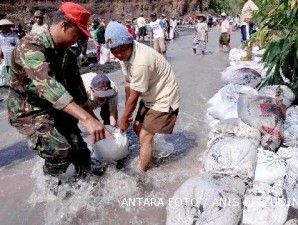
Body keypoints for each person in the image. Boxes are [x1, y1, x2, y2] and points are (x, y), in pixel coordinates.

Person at [7, 2, 108, 177]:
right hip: (29, 109)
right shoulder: (30, 46)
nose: (78, 41)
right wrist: (86, 119)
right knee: (60, 152)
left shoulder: (68, 55)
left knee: (81, 153)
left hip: (58, 107)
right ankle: (50, 186)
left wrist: (97, 123)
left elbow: (79, 94)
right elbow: (48, 87)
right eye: (77, 34)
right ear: (64, 26)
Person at [105, 21, 180, 171]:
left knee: (145, 135)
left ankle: (142, 174)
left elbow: (135, 95)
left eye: (121, 50)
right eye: (114, 51)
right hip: (149, 93)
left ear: (130, 42)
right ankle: (152, 149)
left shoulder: (141, 62)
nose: (118, 55)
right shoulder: (123, 56)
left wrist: (124, 118)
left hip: (164, 97)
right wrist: (128, 112)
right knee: (137, 127)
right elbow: (128, 83)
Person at [0, 19, 19, 86]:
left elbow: (18, 45)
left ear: (8, 26)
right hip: (4, 56)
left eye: (6, 26)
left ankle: (13, 83)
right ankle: (7, 83)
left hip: (12, 56)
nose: (4, 28)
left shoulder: (14, 35)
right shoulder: (0, 35)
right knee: (5, 69)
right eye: (2, 26)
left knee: (13, 70)